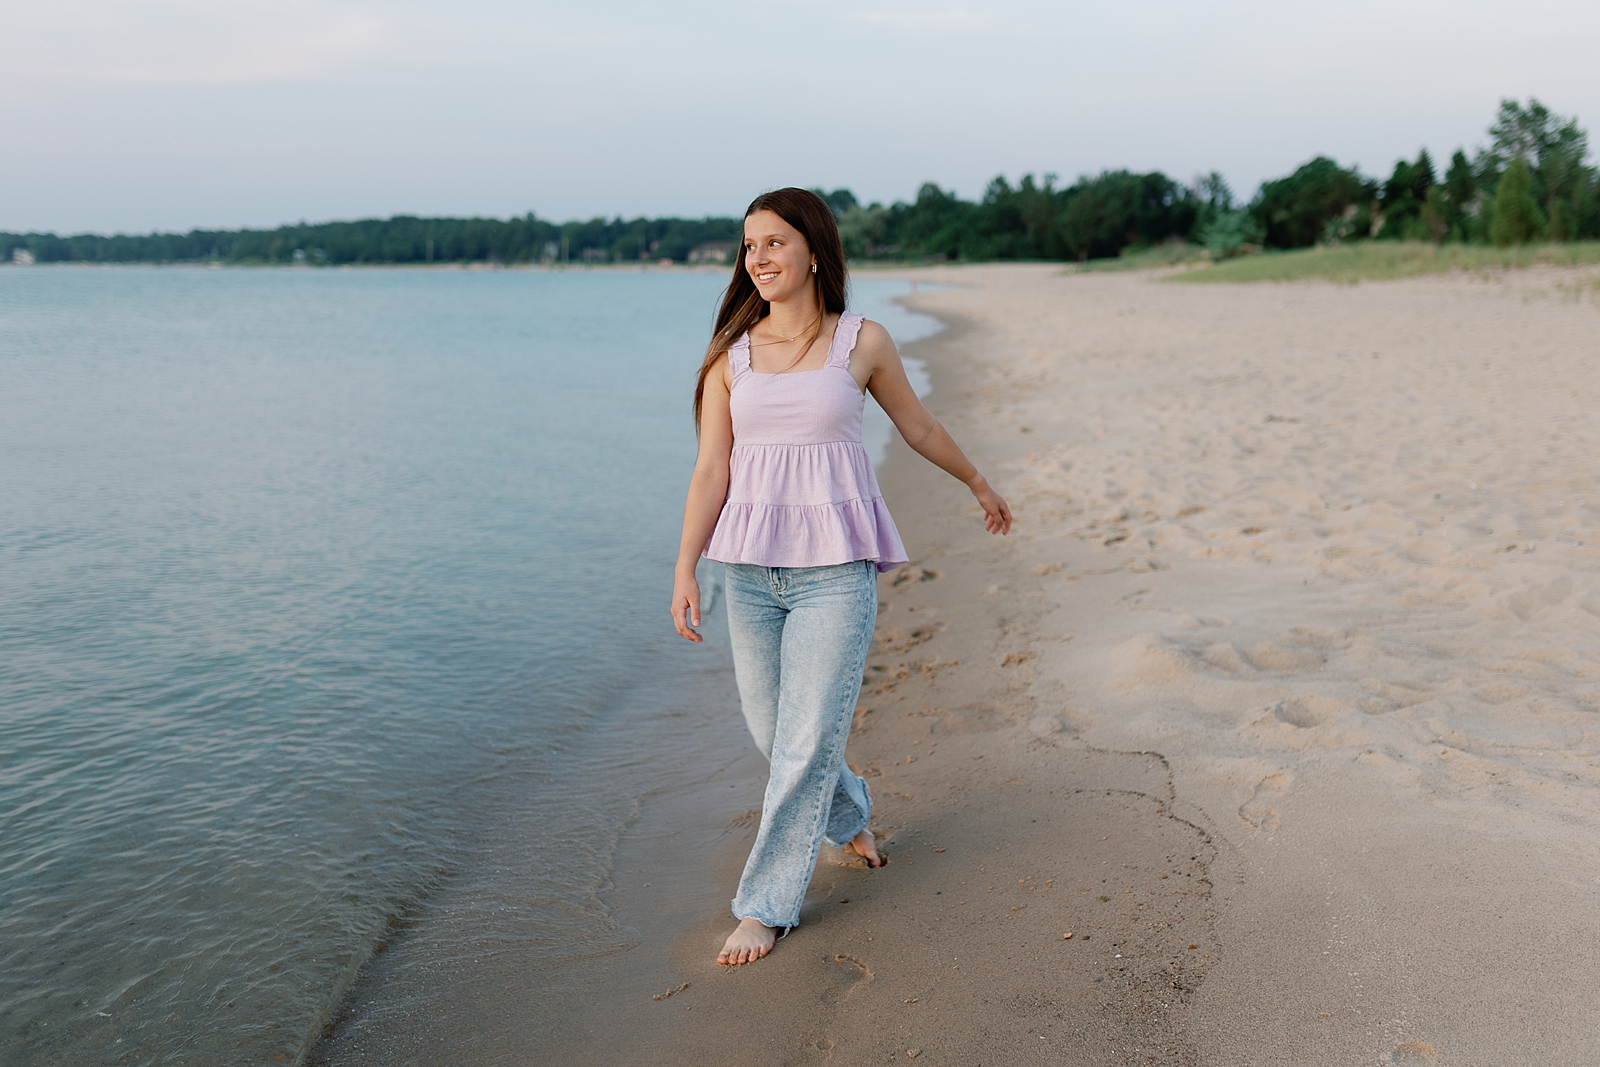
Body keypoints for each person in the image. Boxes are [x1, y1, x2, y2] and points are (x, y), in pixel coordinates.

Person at [670, 188, 1012, 966]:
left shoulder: (863, 341)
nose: (757, 257)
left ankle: (765, 906)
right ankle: (851, 810)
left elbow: (917, 425)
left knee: (802, 743)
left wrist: (978, 484)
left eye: (774, 243)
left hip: (835, 573)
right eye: (748, 245)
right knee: (774, 731)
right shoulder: (732, 356)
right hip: (751, 572)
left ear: (814, 251)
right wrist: (685, 567)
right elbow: (710, 468)